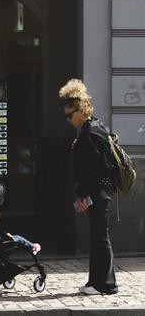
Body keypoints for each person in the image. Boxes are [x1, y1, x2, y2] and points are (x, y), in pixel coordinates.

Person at [59, 79, 118, 295]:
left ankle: (106, 284)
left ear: (80, 109)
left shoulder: (89, 134)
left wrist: (82, 195)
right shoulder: (97, 126)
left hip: (96, 192)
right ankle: (95, 281)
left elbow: (90, 170)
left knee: (100, 237)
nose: (68, 120)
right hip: (101, 190)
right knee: (98, 237)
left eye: (69, 115)